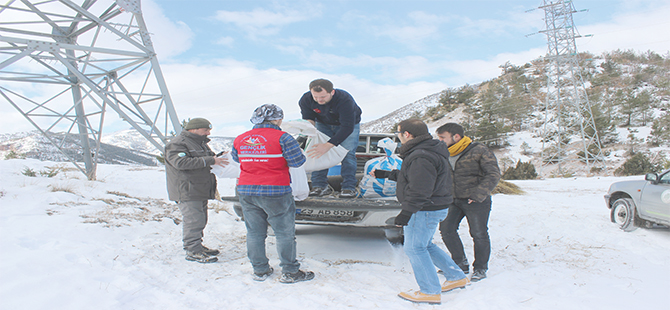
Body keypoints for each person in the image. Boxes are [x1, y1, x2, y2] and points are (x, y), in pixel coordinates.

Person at [371, 119, 468, 305]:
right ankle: (456, 276)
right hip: (432, 206)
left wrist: (406, 213)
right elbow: (414, 178)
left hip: (424, 209)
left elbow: (420, 188)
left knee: (415, 248)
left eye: (399, 133)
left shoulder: (421, 155)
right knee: (425, 245)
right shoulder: (427, 151)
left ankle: (430, 291)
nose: (398, 136)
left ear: (407, 134)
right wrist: (386, 174)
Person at [232, 104, 315, 284]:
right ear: (278, 119)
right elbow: (298, 161)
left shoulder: (240, 138)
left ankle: (260, 270)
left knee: (254, 233)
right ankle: (290, 272)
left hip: (247, 190)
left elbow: (236, 158)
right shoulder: (283, 138)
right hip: (276, 190)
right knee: (284, 233)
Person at [436, 123, 500, 282]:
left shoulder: (479, 150)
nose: (440, 141)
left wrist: (478, 194)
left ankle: (480, 268)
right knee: (446, 229)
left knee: (478, 234)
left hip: (476, 201)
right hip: (452, 199)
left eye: (443, 137)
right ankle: (460, 262)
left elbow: (493, 174)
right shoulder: (444, 153)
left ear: (456, 137)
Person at [165, 118, 228, 263]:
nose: (208, 133)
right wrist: (211, 160)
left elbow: (205, 158)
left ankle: (197, 246)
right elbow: (180, 162)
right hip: (187, 189)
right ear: (193, 129)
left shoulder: (200, 143)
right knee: (194, 220)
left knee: (201, 220)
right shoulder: (177, 144)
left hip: (199, 187)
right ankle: (192, 250)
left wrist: (218, 157)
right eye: (205, 130)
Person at [298, 78, 362, 198]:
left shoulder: (344, 99)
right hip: (323, 123)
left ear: (332, 92)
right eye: (315, 97)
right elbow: (309, 119)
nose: (319, 100)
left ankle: (349, 187)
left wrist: (328, 145)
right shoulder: (306, 99)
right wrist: (309, 132)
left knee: (347, 154)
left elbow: (347, 128)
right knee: (317, 152)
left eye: (322, 97)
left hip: (348, 125)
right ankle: (319, 186)